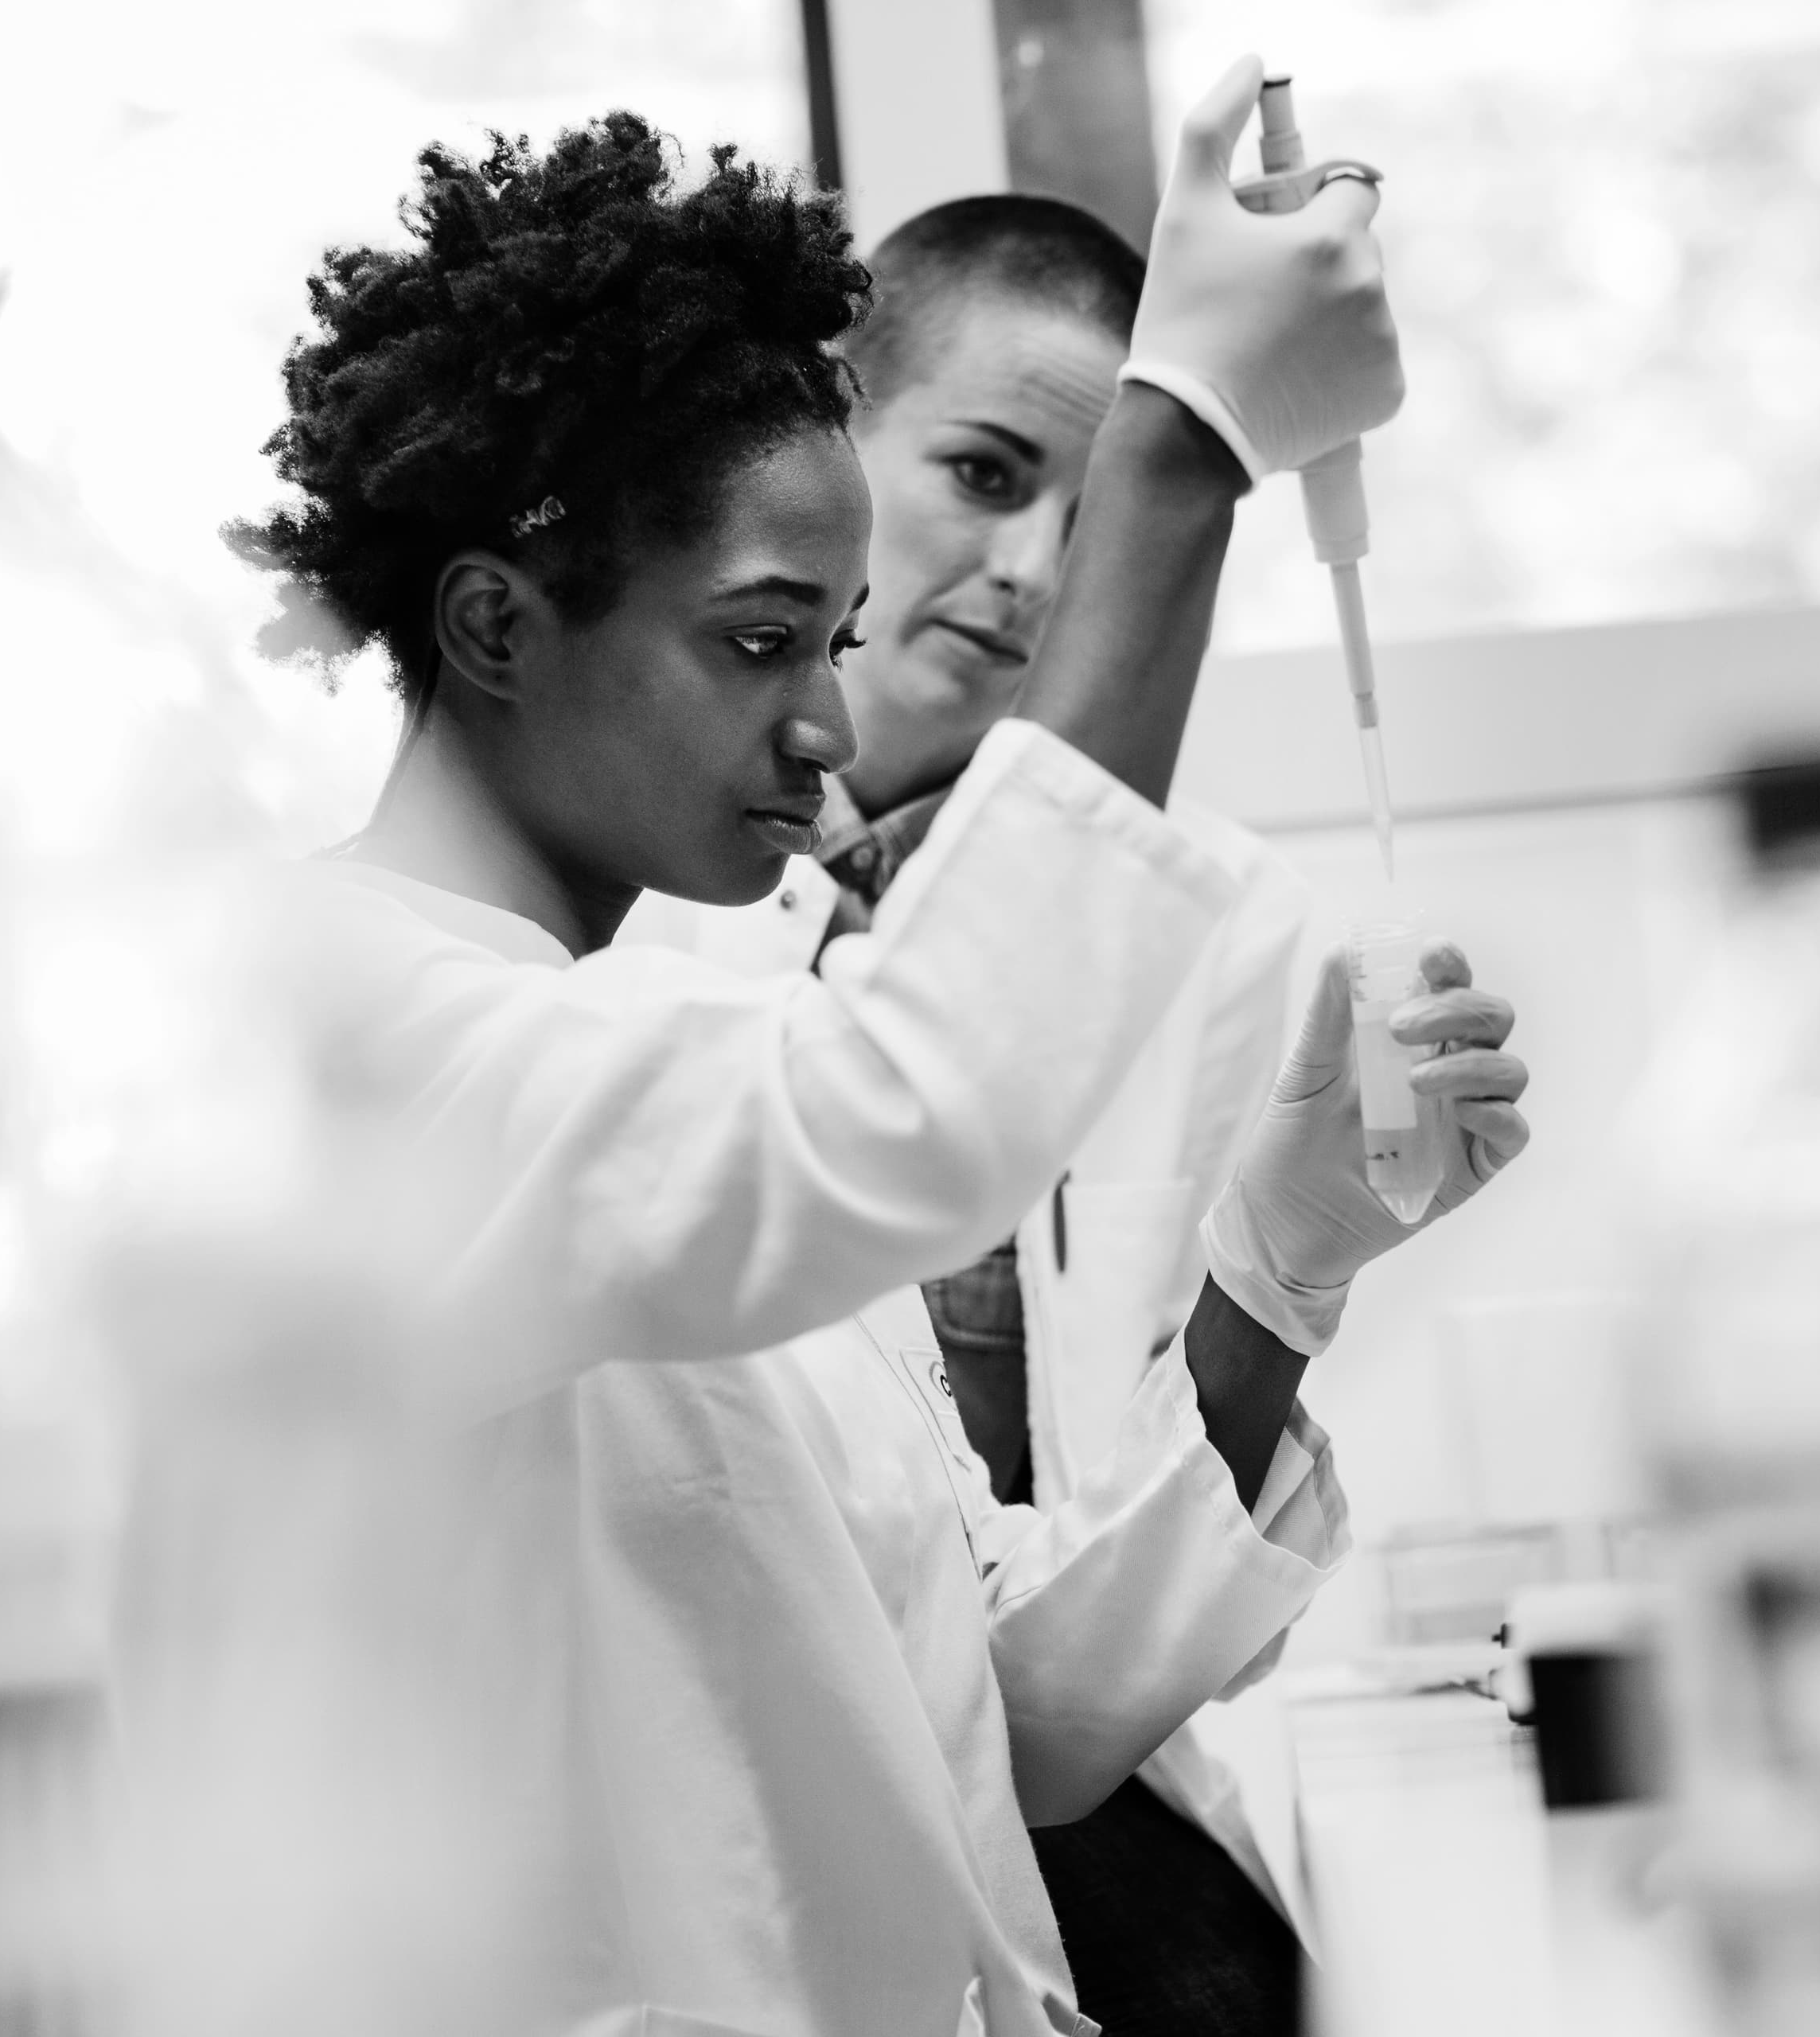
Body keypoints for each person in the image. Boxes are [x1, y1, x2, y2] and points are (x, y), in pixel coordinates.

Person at [231, 65, 1527, 2037]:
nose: (830, 733)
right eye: (762, 643)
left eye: (836, 643)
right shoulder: (337, 1042)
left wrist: (1282, 1257)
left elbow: (1001, 1722)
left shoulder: (638, 1040)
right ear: (495, 624)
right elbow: (909, 1112)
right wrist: (1182, 446)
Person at [625, 191, 1318, 2034]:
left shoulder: (1202, 915)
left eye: (1089, 521)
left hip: (1080, 1767)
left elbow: (1065, 1659)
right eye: (985, 470)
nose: (1028, 567)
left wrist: (1297, 1269)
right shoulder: (636, 945)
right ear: (826, 440)